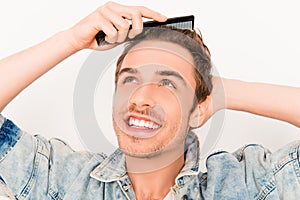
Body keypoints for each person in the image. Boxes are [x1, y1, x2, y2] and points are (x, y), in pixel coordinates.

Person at [0, 1, 299, 200]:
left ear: (198, 111)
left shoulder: (242, 186)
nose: (141, 97)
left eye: (167, 82)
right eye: (130, 79)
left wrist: (220, 93)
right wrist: (71, 40)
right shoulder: (65, 181)